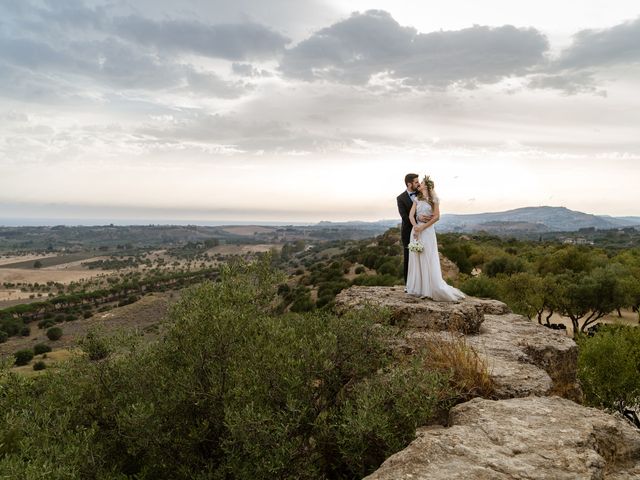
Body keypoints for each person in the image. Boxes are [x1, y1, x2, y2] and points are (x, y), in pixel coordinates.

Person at [406, 176, 465, 302]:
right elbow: (411, 215)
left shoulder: (434, 200)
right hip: (416, 231)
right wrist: (416, 226)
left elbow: (437, 217)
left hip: (427, 232)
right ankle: (418, 288)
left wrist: (423, 228)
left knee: (427, 257)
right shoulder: (417, 199)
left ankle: (429, 289)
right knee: (417, 257)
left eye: (421, 183)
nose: (419, 184)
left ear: (426, 186)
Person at [397, 173, 423, 286]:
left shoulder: (422, 194)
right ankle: (408, 285)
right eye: (416, 182)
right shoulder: (400, 198)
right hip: (408, 232)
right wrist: (417, 222)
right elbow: (404, 217)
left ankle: (422, 283)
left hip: (423, 230)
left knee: (422, 257)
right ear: (409, 184)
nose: (418, 183)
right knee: (408, 258)